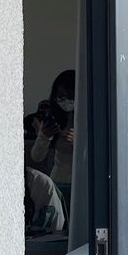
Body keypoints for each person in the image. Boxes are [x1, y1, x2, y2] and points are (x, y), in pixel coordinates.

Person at [30, 70, 76, 210]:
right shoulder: (53, 118)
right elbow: (36, 157)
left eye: (69, 96)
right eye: (60, 96)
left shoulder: (89, 117)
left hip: (83, 183)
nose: (65, 101)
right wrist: (44, 137)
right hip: (58, 183)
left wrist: (79, 142)